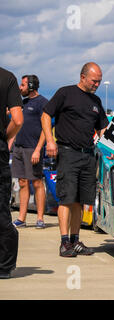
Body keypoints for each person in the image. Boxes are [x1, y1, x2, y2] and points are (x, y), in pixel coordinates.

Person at [41, 62, 109, 258]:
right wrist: (50, 141)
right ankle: (64, 243)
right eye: (94, 81)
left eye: (99, 81)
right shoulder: (66, 93)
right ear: (83, 77)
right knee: (67, 198)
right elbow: (46, 115)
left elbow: (103, 128)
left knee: (80, 201)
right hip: (67, 152)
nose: (97, 84)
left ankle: (75, 240)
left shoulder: (96, 101)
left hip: (88, 155)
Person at [11, 75, 48, 229]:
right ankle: (22, 218)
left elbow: (45, 130)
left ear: (31, 86)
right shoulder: (22, 103)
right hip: (18, 148)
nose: (20, 87)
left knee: (37, 182)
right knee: (22, 182)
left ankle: (40, 218)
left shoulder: (43, 103)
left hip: (33, 149)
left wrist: (38, 150)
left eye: (23, 84)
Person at [0, 67, 23, 279]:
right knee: (1, 210)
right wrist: (5, 138)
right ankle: (4, 266)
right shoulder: (7, 77)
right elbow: (17, 120)